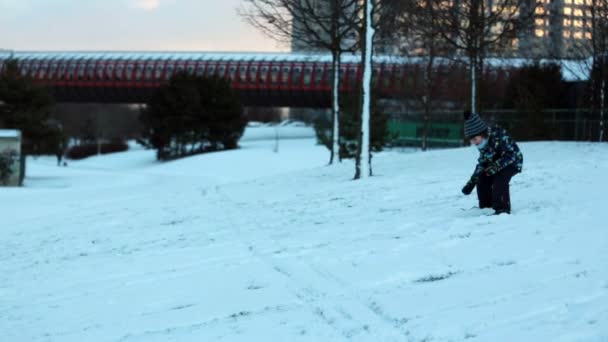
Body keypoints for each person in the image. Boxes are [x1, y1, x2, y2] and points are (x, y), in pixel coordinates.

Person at [461, 111, 523, 215]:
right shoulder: (482, 143)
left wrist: (495, 166)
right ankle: (486, 207)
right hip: (495, 164)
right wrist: (472, 182)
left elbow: (511, 155)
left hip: (513, 162)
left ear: (482, 133)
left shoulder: (498, 135)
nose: (473, 142)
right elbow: (482, 163)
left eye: (474, 139)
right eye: (471, 140)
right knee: (482, 178)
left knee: (499, 179)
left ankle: (502, 208)